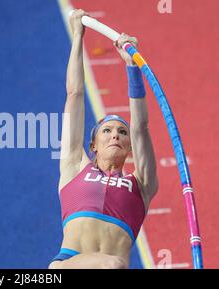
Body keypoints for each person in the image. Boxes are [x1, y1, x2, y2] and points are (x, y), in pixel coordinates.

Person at [48, 9, 159, 269]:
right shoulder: (75, 166)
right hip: (68, 265)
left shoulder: (142, 185)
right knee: (113, 264)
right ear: (93, 146)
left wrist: (133, 66)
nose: (116, 135)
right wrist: (77, 36)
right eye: (107, 131)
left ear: (130, 146)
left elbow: (141, 126)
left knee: (113, 265)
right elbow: (74, 93)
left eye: (122, 132)